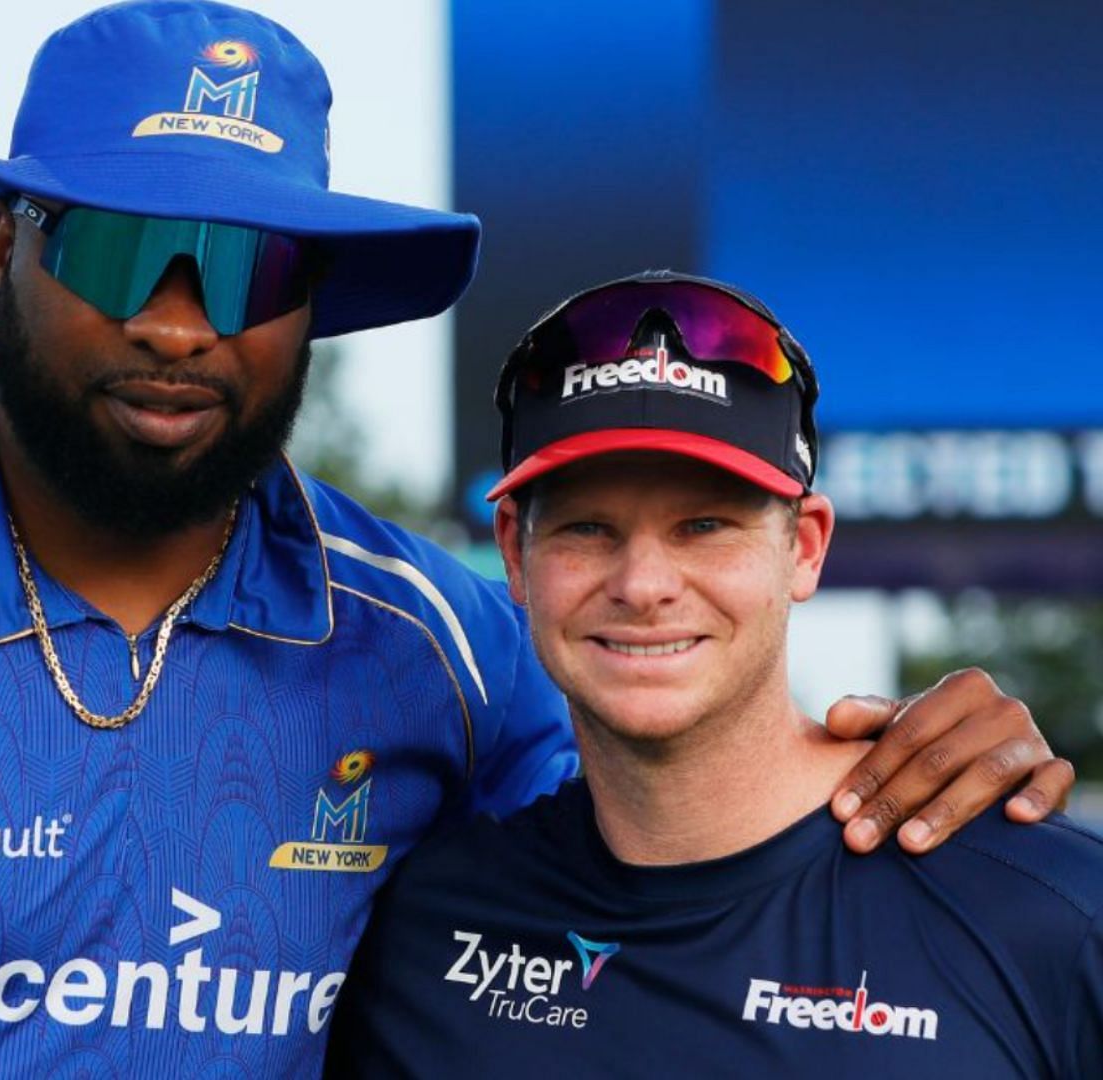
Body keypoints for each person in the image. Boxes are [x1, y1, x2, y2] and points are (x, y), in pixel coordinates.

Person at [0, 5, 1069, 1077]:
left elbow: (668, 844)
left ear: (312, 306)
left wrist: (922, 770)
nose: (181, 322)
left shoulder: (443, 648)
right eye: (121, 245)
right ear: (3, 243)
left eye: (248, 271)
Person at [326, 272, 1103, 1077]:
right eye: (589, 529)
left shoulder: (1051, 915)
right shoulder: (428, 928)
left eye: (704, 526)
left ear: (804, 547)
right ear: (515, 550)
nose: (643, 584)